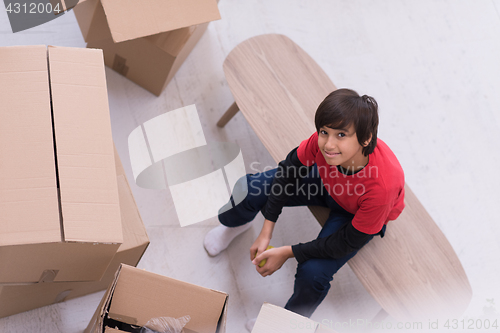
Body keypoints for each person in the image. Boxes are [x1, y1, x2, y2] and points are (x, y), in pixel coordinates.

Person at [204, 88, 405, 329]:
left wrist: (288, 252)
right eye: (324, 132)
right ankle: (239, 223)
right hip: (327, 183)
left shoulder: (381, 187)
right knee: (249, 188)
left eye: (341, 135)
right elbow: (288, 172)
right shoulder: (326, 146)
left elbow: (346, 242)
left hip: (354, 214)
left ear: (366, 139)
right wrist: (267, 228)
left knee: (313, 274)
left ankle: (282, 324)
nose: (328, 144)